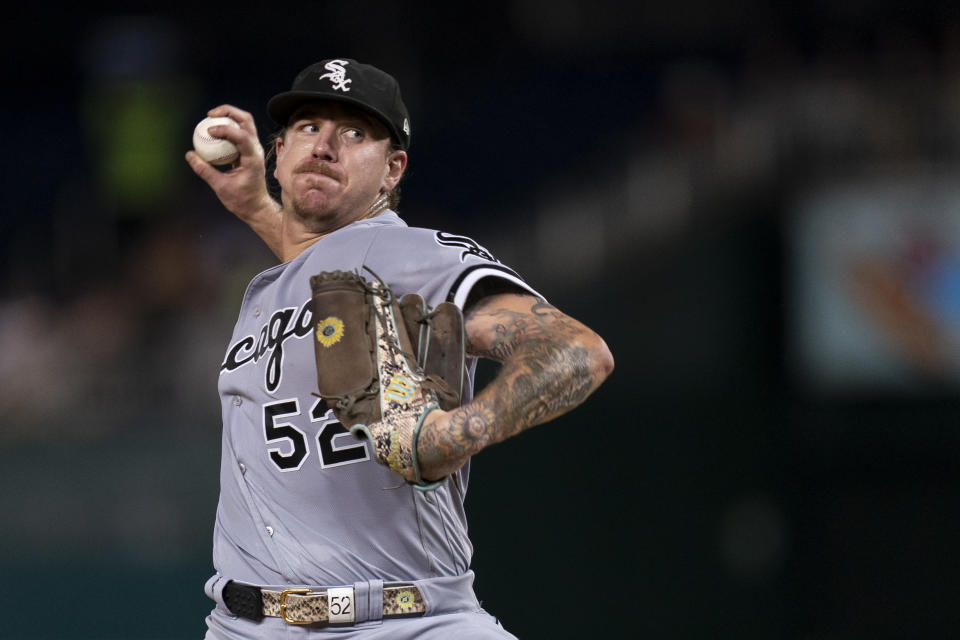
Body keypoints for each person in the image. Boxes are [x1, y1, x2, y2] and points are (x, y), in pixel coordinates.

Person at [185, 58, 614, 639]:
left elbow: (577, 351)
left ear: (392, 170)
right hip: (244, 626)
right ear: (279, 152)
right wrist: (258, 207)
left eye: (355, 133)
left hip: (403, 622)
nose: (326, 146)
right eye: (309, 127)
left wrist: (456, 432)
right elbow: (319, 262)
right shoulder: (277, 282)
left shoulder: (413, 255)